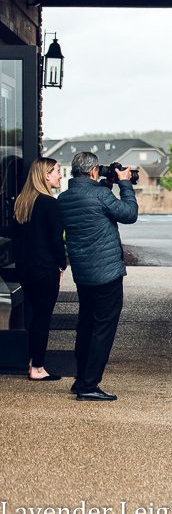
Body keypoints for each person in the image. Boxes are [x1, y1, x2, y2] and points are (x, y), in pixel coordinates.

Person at [57, 152, 138, 401]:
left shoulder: (64, 197)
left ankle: (81, 379)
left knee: (86, 325)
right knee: (103, 328)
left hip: (84, 272)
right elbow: (128, 214)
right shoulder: (100, 195)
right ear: (93, 171)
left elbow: (91, 208)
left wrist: (106, 184)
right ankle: (89, 385)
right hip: (106, 273)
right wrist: (124, 183)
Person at [12, 157, 66, 382]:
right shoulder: (49, 203)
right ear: (45, 175)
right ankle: (38, 367)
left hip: (25, 269)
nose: (60, 176)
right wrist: (62, 264)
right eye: (56, 172)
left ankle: (30, 361)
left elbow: (17, 240)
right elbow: (56, 240)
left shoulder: (22, 202)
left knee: (32, 316)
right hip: (45, 269)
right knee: (43, 318)